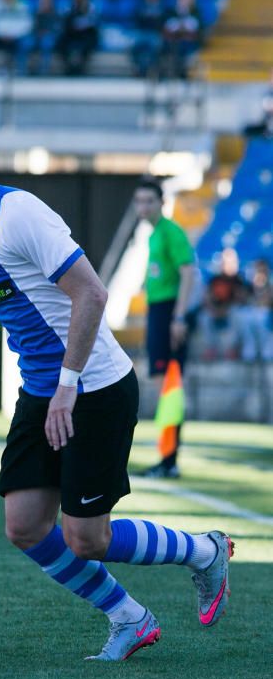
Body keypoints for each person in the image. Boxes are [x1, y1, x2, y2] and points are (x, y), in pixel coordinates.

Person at [0, 103, 233, 661]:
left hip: (95, 388)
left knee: (89, 538)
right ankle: (129, 618)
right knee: (26, 525)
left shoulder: (19, 214)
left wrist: (68, 385)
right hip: (45, 391)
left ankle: (204, 551)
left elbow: (93, 294)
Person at [133, 178, 196, 479]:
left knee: (169, 385)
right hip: (158, 311)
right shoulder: (154, 234)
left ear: (161, 203)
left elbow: (188, 272)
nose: (143, 207)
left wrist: (179, 317)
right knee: (163, 385)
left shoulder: (171, 232)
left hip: (169, 311)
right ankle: (167, 457)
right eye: (139, 201)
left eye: (149, 201)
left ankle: (170, 459)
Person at [238, 257, 273, 362]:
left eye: (262, 269)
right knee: (244, 316)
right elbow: (243, 299)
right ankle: (250, 349)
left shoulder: (271, 284)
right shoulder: (249, 284)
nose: (260, 271)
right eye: (258, 268)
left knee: (262, 317)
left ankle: (267, 351)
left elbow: (268, 302)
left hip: (268, 315)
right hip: (253, 313)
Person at [57, 0, 99, 76]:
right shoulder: (69, 8)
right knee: (61, 44)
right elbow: (66, 24)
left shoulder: (91, 9)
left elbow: (95, 27)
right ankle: (69, 67)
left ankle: (80, 68)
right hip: (72, 34)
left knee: (87, 45)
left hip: (86, 36)